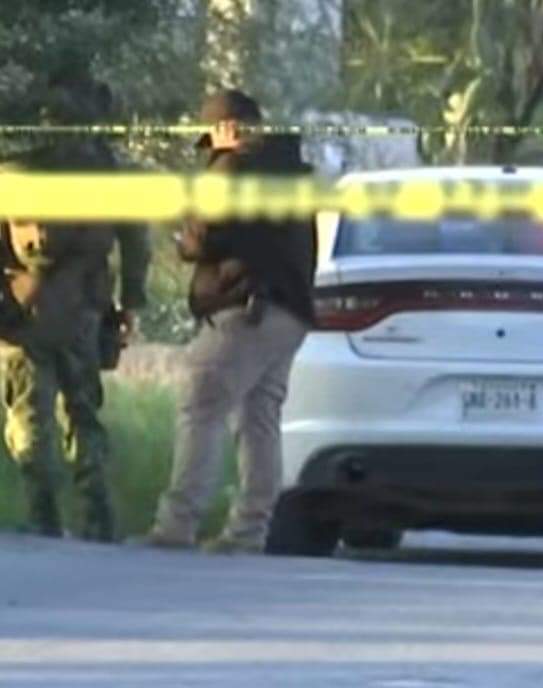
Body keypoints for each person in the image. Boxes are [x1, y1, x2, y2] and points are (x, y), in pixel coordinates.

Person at [135, 88, 316, 554]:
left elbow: (204, 236)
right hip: (287, 313)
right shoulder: (292, 171)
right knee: (260, 418)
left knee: (202, 409)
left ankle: (177, 525)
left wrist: (185, 241)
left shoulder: (233, 167)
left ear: (228, 129)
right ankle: (250, 530)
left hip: (244, 309)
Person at [0, 68, 149, 541]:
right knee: (83, 414)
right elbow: (136, 243)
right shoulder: (108, 174)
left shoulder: (14, 168)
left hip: (23, 310)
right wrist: (131, 304)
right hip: (86, 310)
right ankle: (97, 519)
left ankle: (44, 518)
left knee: (29, 415)